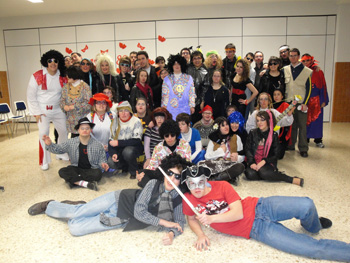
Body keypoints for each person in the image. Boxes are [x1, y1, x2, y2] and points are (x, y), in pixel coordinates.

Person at [181, 165, 350, 262]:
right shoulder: (188, 198)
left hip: (261, 206)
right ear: (186, 184)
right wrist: (200, 235)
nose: (196, 188)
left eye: (200, 183)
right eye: (191, 184)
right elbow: (191, 218)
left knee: (307, 205)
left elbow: (238, 213)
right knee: (312, 249)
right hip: (257, 230)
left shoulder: (222, 186)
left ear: (206, 180)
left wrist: (211, 218)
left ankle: (314, 226)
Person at [27, 154, 186, 246]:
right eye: (169, 173)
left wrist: (172, 234)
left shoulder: (178, 199)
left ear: (181, 180)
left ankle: (80, 207)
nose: (172, 178)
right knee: (76, 213)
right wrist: (166, 223)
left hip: (122, 218)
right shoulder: (153, 183)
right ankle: (49, 205)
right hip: (117, 200)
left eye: (177, 176)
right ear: (164, 173)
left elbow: (180, 222)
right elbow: (139, 211)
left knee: (75, 229)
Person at [27, 49, 69, 170]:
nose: (53, 63)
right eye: (50, 60)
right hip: (42, 111)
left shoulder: (62, 75)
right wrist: (36, 112)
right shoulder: (37, 75)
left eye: (55, 61)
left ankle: (61, 153)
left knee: (63, 131)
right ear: (46, 62)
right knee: (43, 134)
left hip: (58, 109)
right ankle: (44, 161)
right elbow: (31, 95)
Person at [42, 117, 109, 190]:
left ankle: (74, 181)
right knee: (62, 171)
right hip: (76, 168)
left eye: (87, 128)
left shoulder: (98, 145)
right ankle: (85, 183)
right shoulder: (71, 142)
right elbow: (59, 149)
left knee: (98, 173)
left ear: (90, 130)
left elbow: (102, 159)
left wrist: (103, 164)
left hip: (91, 169)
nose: (85, 130)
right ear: (78, 130)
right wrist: (49, 144)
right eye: (82, 128)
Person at [245, 111, 303, 186]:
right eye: (258, 120)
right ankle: (270, 175)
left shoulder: (273, 135)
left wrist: (264, 161)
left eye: (262, 120)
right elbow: (248, 149)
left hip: (267, 162)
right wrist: (252, 162)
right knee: (249, 174)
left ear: (268, 121)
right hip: (255, 162)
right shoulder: (252, 133)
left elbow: (276, 154)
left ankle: (289, 179)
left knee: (263, 172)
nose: (259, 123)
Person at [282, 48, 312, 157]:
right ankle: (290, 144)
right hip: (289, 102)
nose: (293, 58)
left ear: (298, 56)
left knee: (302, 126)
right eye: (291, 55)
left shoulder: (307, 71)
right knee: (291, 124)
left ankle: (303, 148)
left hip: (301, 103)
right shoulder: (285, 69)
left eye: (295, 55)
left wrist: (306, 103)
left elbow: (309, 88)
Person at [204, 116, 245, 184]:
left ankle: (217, 179)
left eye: (227, 124)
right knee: (203, 164)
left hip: (230, 164)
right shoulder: (213, 140)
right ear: (218, 128)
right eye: (223, 126)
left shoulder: (236, 137)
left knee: (240, 166)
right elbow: (207, 156)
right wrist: (221, 151)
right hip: (217, 164)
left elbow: (242, 155)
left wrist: (237, 158)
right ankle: (228, 177)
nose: (226, 127)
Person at [108, 101, 143, 179]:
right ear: (118, 113)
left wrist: (118, 143)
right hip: (119, 149)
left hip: (134, 148)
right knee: (111, 162)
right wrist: (113, 153)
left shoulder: (136, 121)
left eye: (126, 110)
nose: (123, 113)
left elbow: (136, 140)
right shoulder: (114, 122)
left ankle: (134, 171)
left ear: (130, 112)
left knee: (128, 152)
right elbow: (110, 141)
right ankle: (125, 166)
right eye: (121, 111)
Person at [301, 54, 329, 148]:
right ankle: (306, 139)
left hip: (316, 100)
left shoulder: (318, 71)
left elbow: (323, 86)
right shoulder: (301, 71)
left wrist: (323, 100)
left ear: (311, 60)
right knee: (305, 120)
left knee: (317, 121)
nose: (306, 63)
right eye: (303, 61)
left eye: (307, 60)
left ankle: (318, 140)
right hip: (305, 100)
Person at [60, 66, 92, 138]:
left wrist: (74, 106)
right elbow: (62, 100)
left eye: (68, 75)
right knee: (73, 140)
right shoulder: (65, 87)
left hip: (82, 120)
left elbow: (88, 104)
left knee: (83, 140)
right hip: (70, 121)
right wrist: (64, 106)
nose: (66, 76)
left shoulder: (85, 87)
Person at [161, 54, 196, 119]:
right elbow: (164, 94)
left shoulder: (189, 78)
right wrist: (164, 107)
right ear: (171, 66)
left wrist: (192, 105)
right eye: (174, 64)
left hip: (185, 107)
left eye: (178, 64)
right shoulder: (167, 79)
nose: (176, 66)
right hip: (170, 108)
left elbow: (192, 93)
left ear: (182, 65)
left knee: (184, 125)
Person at [186, 50, 209, 124]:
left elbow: (205, 88)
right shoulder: (187, 69)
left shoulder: (205, 71)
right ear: (192, 60)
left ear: (202, 59)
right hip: (187, 100)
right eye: (194, 58)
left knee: (196, 121)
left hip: (198, 101)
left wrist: (202, 101)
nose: (197, 60)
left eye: (199, 58)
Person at [272, 88, 293, 159]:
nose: (276, 97)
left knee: (279, 156)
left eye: (278, 94)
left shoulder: (285, 105)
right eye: (274, 95)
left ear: (282, 96)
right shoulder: (271, 106)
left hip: (283, 133)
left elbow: (287, 122)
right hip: (273, 132)